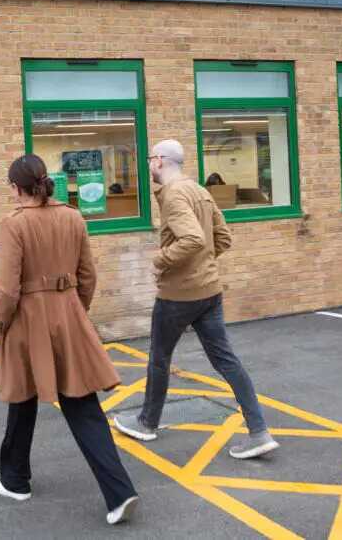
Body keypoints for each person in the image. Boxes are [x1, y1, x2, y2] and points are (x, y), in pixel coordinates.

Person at [0, 154, 139, 525]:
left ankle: (15, 480)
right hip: (69, 313)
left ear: (16, 187)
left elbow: (8, 290)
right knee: (83, 404)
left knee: (22, 398)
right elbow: (87, 275)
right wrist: (74, 310)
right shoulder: (73, 216)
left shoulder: (14, 224)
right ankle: (119, 492)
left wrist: (0, 325)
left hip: (27, 320)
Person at [113, 140, 278, 460]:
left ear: (160, 161)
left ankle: (147, 422)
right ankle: (259, 431)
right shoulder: (200, 191)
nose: (148, 165)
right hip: (209, 292)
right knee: (226, 360)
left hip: (178, 295)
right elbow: (223, 238)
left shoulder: (174, 195)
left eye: (150, 159)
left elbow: (192, 239)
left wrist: (161, 260)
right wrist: (201, 265)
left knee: (159, 358)